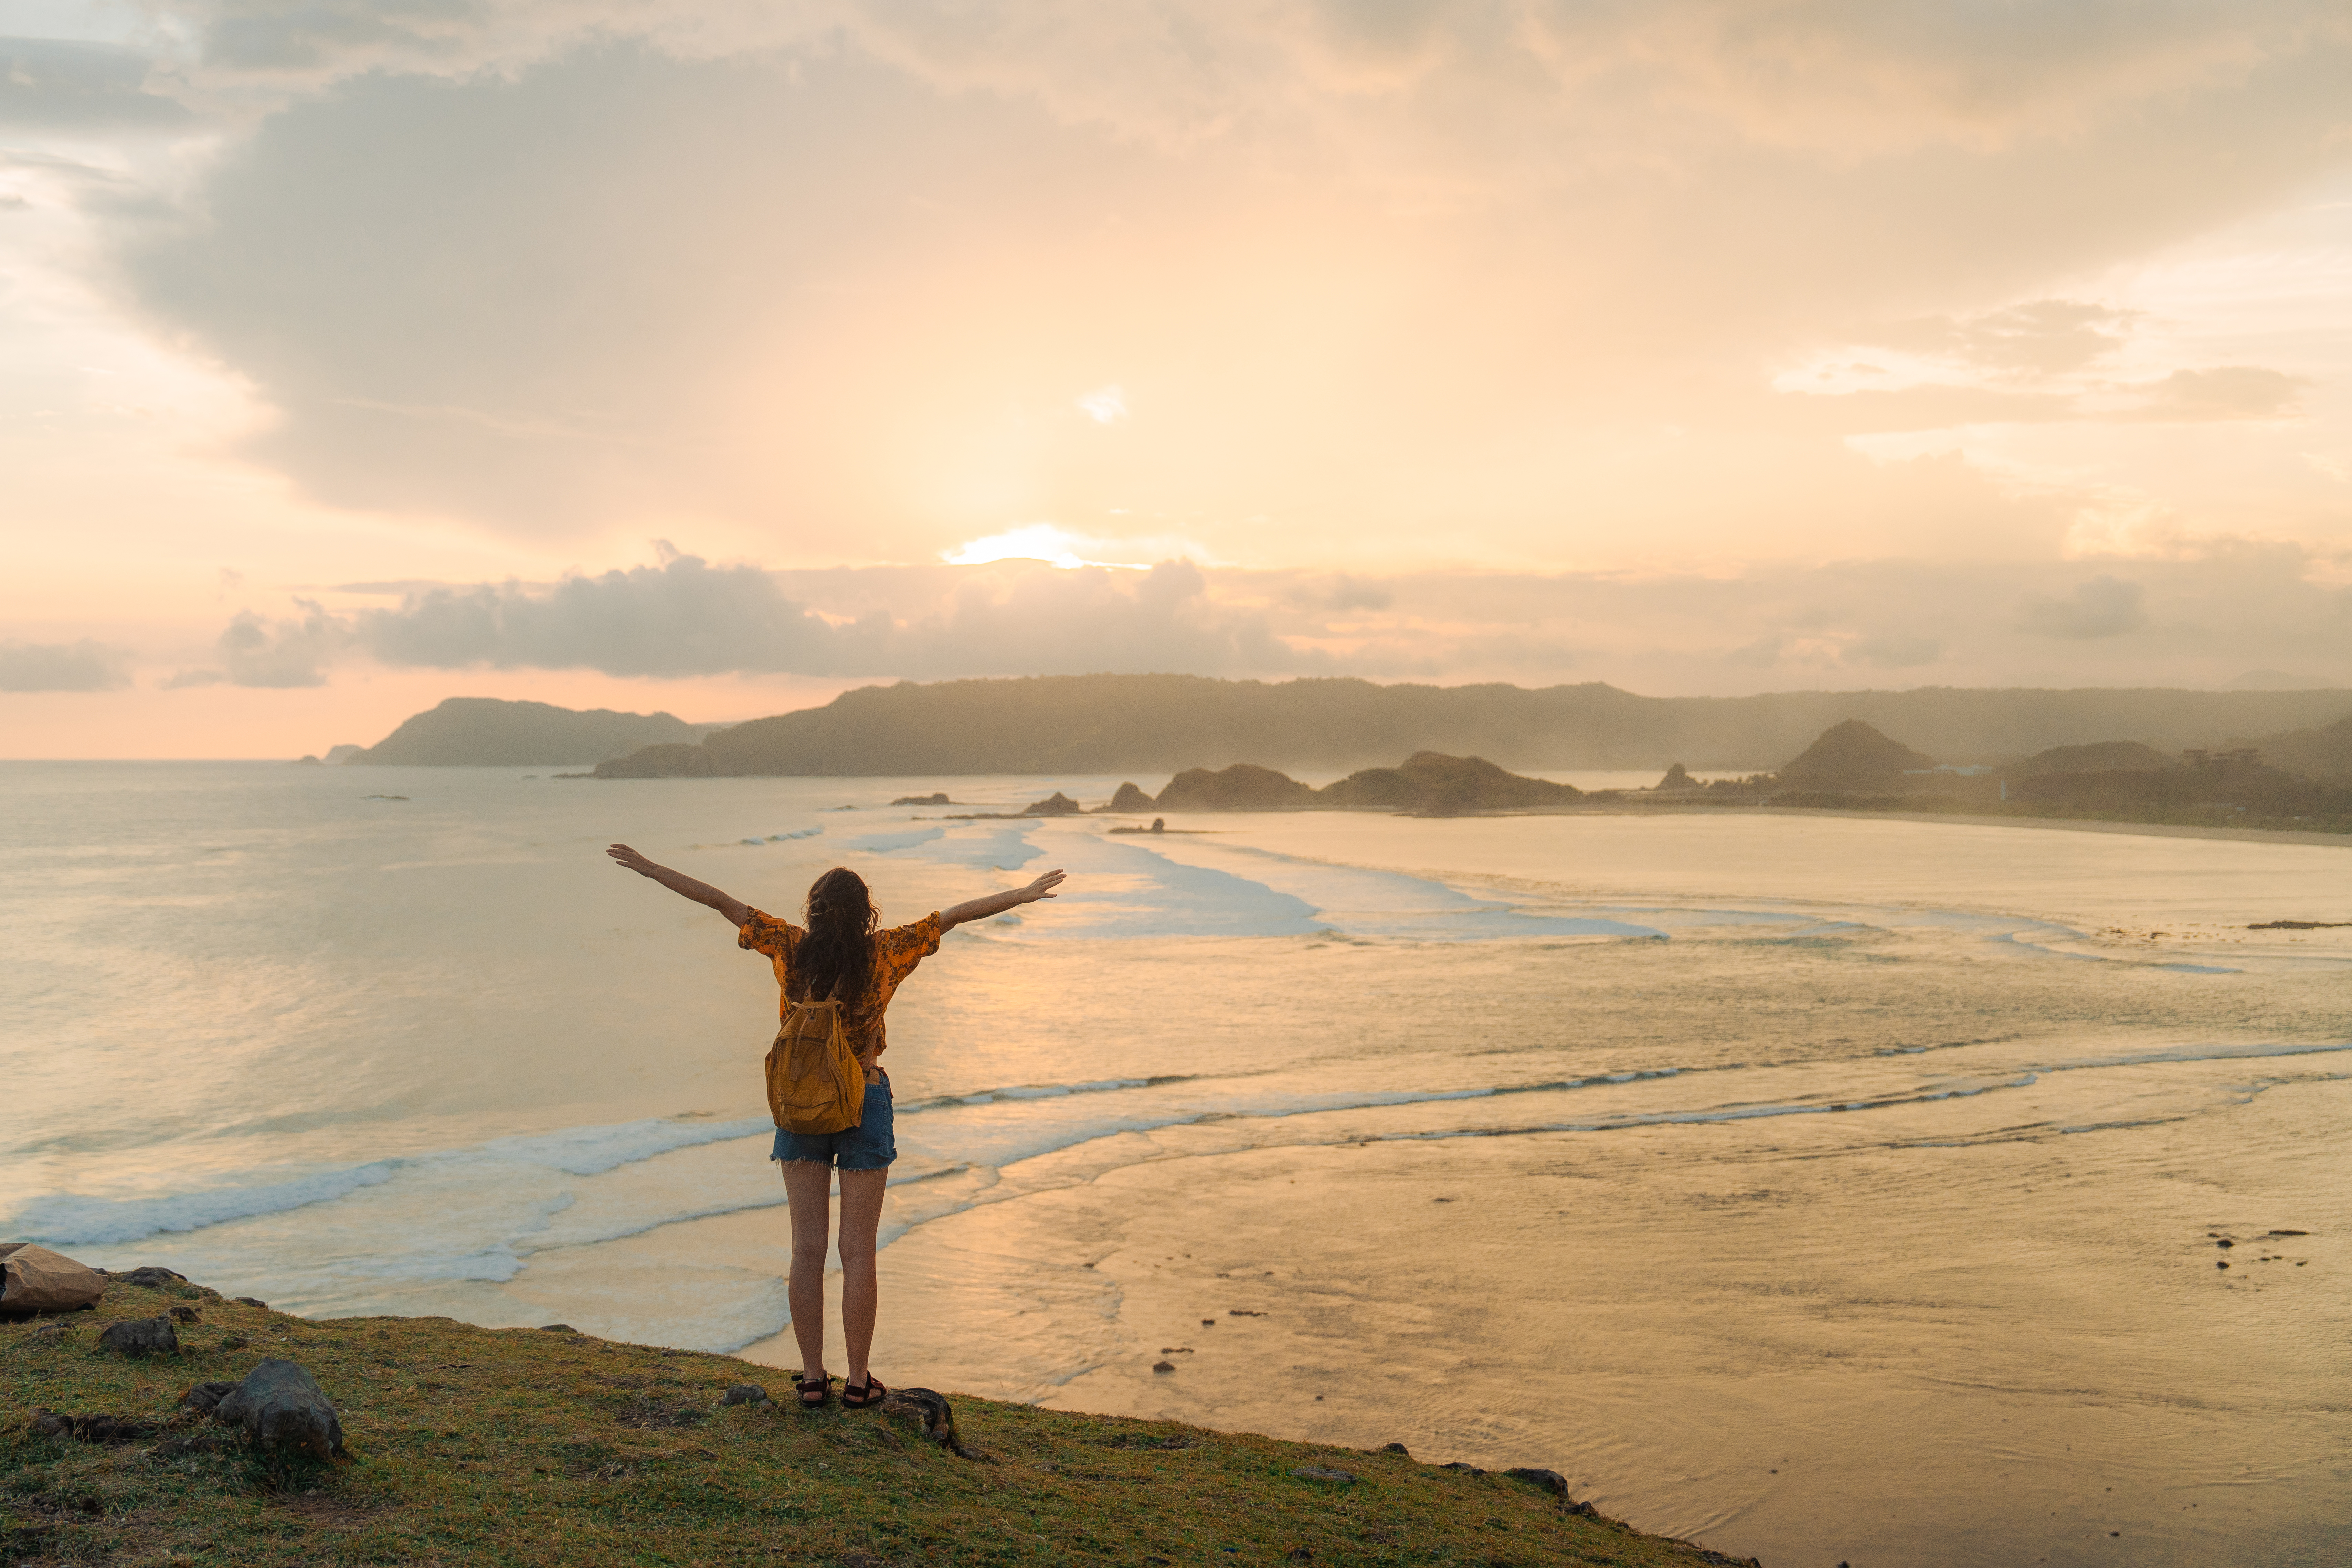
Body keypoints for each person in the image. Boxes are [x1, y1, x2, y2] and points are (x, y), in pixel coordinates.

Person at [606, 843, 1066, 1409]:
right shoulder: (887, 953)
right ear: (865, 913)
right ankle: (857, 1380)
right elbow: (955, 914)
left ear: (813, 911)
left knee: (805, 1251)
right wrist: (1020, 895)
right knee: (858, 1252)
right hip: (863, 1100)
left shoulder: (788, 947)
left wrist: (653, 870)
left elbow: (719, 901)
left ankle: (812, 1378)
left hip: (800, 1105)